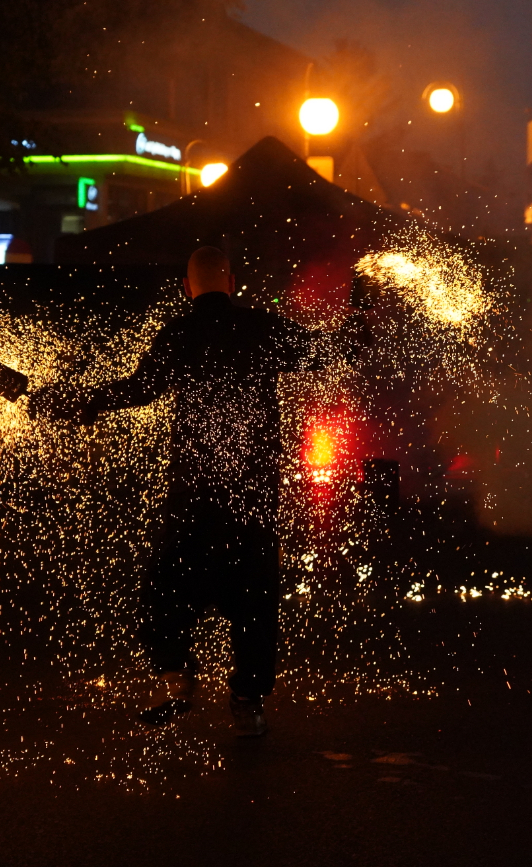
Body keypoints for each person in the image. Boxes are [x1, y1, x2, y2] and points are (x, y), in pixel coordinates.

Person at [48, 246, 364, 737]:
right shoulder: (260, 328)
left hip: (192, 493)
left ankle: (176, 677)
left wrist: (77, 403)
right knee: (254, 599)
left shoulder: (180, 333)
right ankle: (247, 700)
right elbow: (331, 353)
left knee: (164, 586)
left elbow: (136, 390)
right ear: (233, 282)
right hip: (251, 494)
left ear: (186, 286)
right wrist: (360, 308)